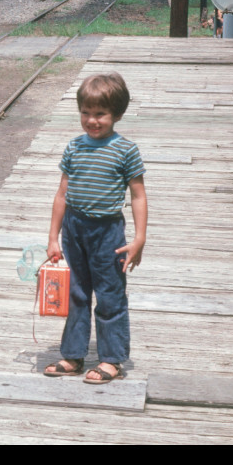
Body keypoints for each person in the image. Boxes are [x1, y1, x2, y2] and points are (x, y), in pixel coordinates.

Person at [43, 72, 147, 385]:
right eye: (85, 113)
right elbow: (62, 194)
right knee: (75, 293)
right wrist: (53, 237)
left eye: (100, 114)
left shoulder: (126, 150)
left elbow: (138, 196)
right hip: (74, 229)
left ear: (116, 114)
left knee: (110, 295)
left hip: (108, 232)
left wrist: (139, 239)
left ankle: (111, 358)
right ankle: (73, 355)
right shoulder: (74, 148)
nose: (92, 120)